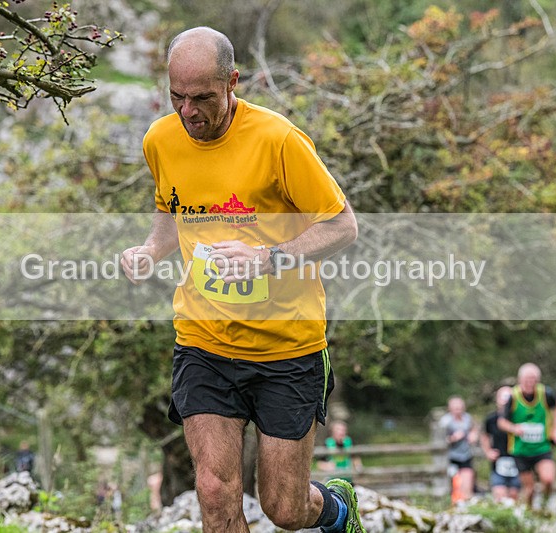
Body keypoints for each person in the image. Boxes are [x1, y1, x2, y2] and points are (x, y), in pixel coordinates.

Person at [120, 26, 361, 533]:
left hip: (287, 347)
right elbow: (171, 209)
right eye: (177, 98)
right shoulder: (160, 140)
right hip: (204, 339)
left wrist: (268, 258)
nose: (189, 113)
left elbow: (343, 226)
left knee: (284, 508)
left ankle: (337, 510)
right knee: (213, 489)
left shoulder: (278, 140)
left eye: (203, 98)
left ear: (233, 82)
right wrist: (150, 250)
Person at [497, 363, 556, 511]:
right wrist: (514, 428)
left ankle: (546, 506)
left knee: (548, 479)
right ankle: (530, 512)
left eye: (533, 379)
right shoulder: (512, 397)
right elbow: (501, 422)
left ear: (538, 380)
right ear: (520, 379)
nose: (530, 382)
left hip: (542, 447)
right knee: (529, 488)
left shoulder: (546, 393)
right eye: (526, 379)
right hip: (521, 449)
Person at [480, 386, 520, 504]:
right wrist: (488, 451)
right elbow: (484, 435)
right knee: (499, 495)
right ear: (497, 400)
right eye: (502, 398)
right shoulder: (491, 419)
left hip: (518, 461)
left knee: (514, 496)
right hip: (499, 461)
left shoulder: (518, 417)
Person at [439, 395, 479, 503]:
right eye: (456, 408)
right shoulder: (445, 421)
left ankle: (466, 504)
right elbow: (439, 441)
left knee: (467, 482)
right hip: (450, 457)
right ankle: (453, 504)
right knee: (454, 484)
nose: (458, 410)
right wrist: (453, 438)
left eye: (460, 407)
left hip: (466, 455)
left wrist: (473, 435)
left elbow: (474, 429)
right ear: (450, 408)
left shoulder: (467, 418)